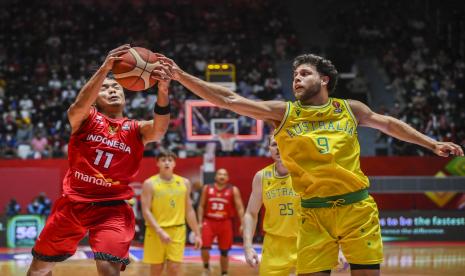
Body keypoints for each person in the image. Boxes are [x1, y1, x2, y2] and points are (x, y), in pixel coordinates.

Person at [158, 53, 464, 276]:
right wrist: (182, 76)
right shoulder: (284, 113)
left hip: (357, 209)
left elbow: (389, 124)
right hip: (314, 212)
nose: (297, 80)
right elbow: (229, 100)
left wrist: (432, 143)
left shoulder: (350, 109)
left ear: (324, 79)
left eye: (304, 74)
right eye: (294, 77)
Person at [27, 44, 172, 276]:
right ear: (95, 98)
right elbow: (77, 106)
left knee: (108, 270)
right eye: (105, 89)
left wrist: (163, 91)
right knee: (38, 269)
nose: (113, 90)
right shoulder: (86, 119)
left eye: (117, 87)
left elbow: (160, 130)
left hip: (112, 209)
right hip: (74, 204)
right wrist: (104, 69)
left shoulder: (136, 129)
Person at [243, 135, 299, 276]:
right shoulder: (262, 176)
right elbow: (251, 213)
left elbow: (325, 210)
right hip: (274, 245)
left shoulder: (305, 173)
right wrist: (248, 246)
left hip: (305, 242)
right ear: (269, 149)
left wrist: (335, 244)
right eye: (274, 144)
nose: (279, 148)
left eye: (284, 142)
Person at [141, 150, 202, 276]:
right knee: (156, 269)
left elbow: (189, 209)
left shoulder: (184, 183)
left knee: (174, 269)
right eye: (163, 160)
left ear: (174, 163)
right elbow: (146, 211)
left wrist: (197, 233)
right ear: (157, 163)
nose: (167, 163)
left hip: (177, 231)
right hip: (155, 232)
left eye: (170, 160)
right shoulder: (149, 183)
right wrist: (159, 231)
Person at [198, 168, 245, 276]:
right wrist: (200, 222)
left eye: (224, 174)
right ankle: (206, 267)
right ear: (215, 176)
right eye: (220, 174)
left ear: (228, 178)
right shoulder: (207, 188)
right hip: (209, 221)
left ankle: (224, 273)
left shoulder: (233, 189)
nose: (222, 176)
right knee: (204, 247)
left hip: (225, 222)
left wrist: (242, 223)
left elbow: (240, 208)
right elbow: (201, 206)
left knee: (224, 251)